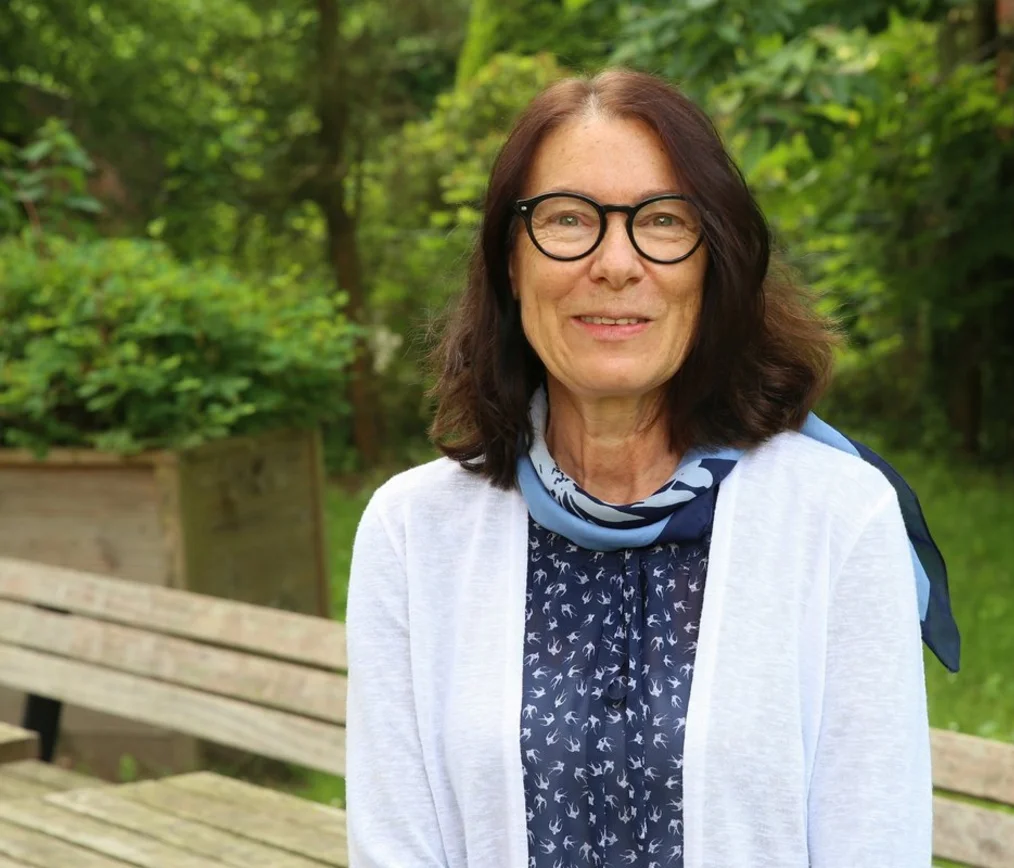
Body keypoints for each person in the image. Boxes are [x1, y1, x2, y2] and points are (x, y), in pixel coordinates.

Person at [345, 67, 960, 868]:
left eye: (662, 221)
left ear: (714, 263)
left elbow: (872, 843)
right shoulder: (412, 531)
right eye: (568, 220)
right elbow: (397, 848)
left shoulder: (841, 519)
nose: (616, 262)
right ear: (509, 262)